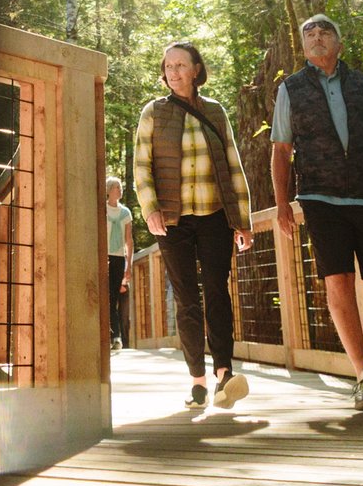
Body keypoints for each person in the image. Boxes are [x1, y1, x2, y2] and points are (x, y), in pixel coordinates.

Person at [270, 14, 363, 409]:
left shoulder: (362, 84)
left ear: (339, 43)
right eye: (310, 35)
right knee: (337, 280)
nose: (317, 39)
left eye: (325, 33)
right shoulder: (290, 88)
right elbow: (281, 150)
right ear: (303, 47)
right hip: (320, 197)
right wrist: (282, 203)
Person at [131, 41, 255, 409]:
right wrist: (149, 208)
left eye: (181, 65)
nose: (173, 72)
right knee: (187, 299)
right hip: (172, 221)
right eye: (168, 66)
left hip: (215, 216)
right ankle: (197, 382)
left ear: (196, 69)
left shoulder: (215, 112)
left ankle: (224, 375)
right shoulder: (153, 112)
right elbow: (142, 167)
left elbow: (234, 166)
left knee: (217, 290)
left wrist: (243, 221)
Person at [103, 175, 134, 349]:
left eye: (120, 187)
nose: (120, 189)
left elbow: (129, 240)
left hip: (118, 258)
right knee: (105, 297)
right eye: (116, 187)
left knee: (113, 297)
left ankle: (116, 337)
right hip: (103, 256)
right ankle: (111, 336)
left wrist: (128, 265)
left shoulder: (125, 213)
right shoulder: (103, 210)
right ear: (108, 191)